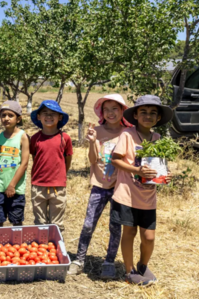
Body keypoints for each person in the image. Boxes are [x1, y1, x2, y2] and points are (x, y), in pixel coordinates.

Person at [110, 95, 173, 285]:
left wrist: (166, 174)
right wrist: (137, 170)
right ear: (135, 115)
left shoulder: (157, 138)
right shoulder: (127, 135)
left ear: (158, 118)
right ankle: (129, 271)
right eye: (143, 112)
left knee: (149, 236)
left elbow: (161, 165)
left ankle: (143, 265)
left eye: (153, 113)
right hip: (127, 194)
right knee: (129, 232)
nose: (148, 116)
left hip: (148, 197)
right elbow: (115, 159)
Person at [68, 94, 130, 278]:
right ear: (101, 112)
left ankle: (109, 261)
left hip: (120, 187)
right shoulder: (98, 131)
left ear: (122, 111)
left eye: (115, 109)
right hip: (99, 185)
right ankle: (79, 260)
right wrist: (93, 142)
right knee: (88, 224)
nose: (110, 113)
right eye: (106, 109)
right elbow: (93, 160)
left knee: (115, 226)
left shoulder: (128, 133)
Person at [29, 100, 73, 232]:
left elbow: (68, 158)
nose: (49, 116)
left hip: (58, 186)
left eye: (53, 113)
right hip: (38, 185)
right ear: (38, 117)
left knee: (56, 223)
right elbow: (35, 157)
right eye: (45, 113)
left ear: (60, 117)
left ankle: (56, 247)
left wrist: (61, 175)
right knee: (40, 221)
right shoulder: (35, 138)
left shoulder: (64, 138)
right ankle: (42, 248)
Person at [0, 101, 29, 228]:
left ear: (18, 118)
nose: (6, 118)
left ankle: (16, 246)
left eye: (10, 115)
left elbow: (24, 164)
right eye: (3, 115)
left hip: (15, 188)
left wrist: (12, 185)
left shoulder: (23, 137)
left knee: (16, 220)